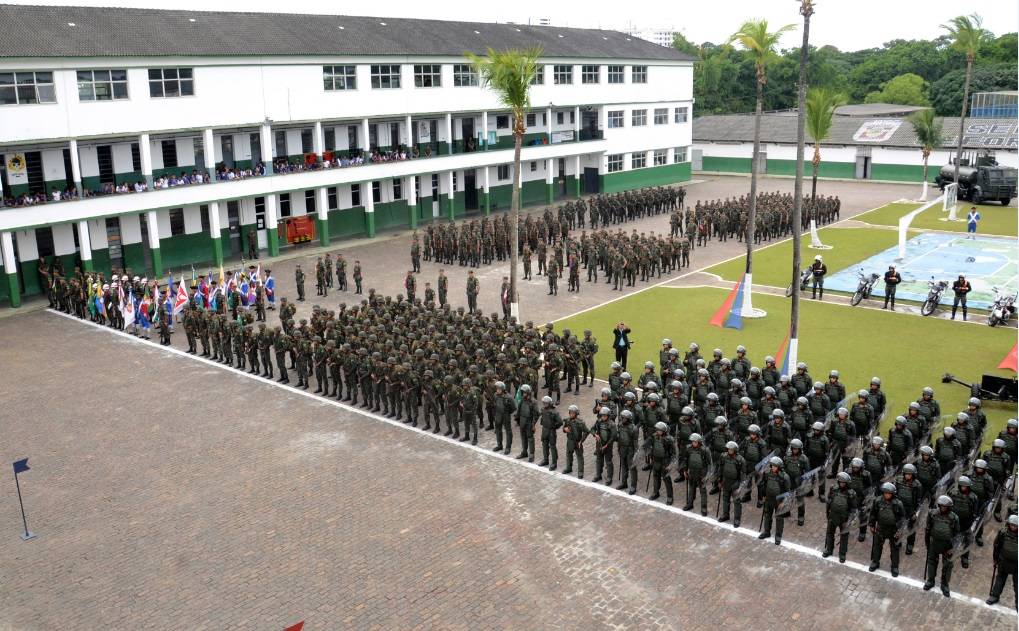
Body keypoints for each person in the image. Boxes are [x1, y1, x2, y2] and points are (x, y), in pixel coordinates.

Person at [924, 495, 960, 598]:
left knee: (947, 566)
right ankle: (930, 580)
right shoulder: (932, 514)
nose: (943, 508)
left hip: (947, 546)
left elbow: (957, 535)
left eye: (945, 506)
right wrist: (927, 542)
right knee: (931, 562)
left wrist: (953, 548)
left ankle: (944, 585)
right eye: (941, 506)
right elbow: (928, 529)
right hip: (934, 543)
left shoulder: (954, 518)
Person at [823, 472, 858, 563]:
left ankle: (842, 554)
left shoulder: (851, 494)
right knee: (830, 533)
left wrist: (849, 521)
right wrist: (828, 514)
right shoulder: (833, 489)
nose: (842, 484)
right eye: (840, 482)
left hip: (844, 519)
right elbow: (829, 502)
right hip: (833, 516)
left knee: (844, 536)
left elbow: (854, 509)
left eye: (844, 482)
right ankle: (829, 550)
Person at [987, 514, 1018, 606]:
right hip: (1004, 561)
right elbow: (997, 546)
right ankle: (995, 596)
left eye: (1015, 525)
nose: (1013, 527)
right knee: (1000, 579)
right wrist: (995, 558)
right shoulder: (1003, 533)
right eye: (1011, 525)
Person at [645, 421, 676, 505]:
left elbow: (674, 454)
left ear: (664, 431)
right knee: (655, 477)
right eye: (657, 430)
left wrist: (671, 464)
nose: (657, 431)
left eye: (659, 430)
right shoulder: (654, 437)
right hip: (656, 460)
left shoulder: (669, 439)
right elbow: (651, 447)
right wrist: (650, 456)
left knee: (666, 479)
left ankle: (670, 496)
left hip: (665, 462)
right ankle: (656, 492)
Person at [561, 405, 589, 478]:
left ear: (576, 413)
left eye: (573, 413)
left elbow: (586, 431)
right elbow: (564, 429)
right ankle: (569, 468)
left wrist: (581, 441)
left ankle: (580, 472)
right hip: (570, 441)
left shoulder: (580, 423)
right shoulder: (567, 420)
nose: (571, 414)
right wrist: (565, 429)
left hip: (577, 442)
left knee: (579, 457)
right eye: (570, 412)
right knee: (568, 455)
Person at [538, 396, 563, 470]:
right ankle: (545, 460)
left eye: (546, 403)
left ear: (549, 403)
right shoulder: (543, 409)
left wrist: (554, 427)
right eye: (544, 403)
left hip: (551, 431)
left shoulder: (554, 411)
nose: (544, 404)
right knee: (544, 445)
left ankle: (554, 463)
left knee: (552, 447)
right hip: (544, 429)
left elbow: (560, 422)